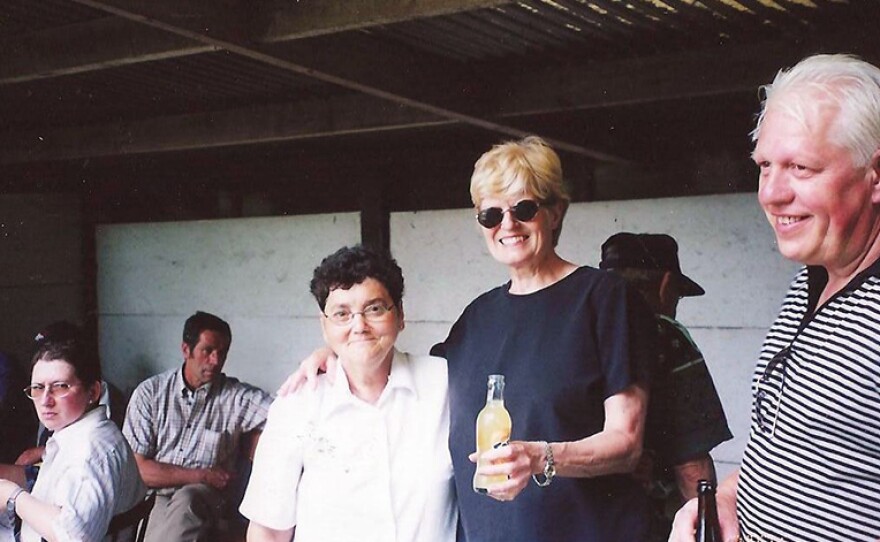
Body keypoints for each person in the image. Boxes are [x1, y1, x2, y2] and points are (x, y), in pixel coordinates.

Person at [285, 136, 657, 541]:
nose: (508, 225)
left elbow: (626, 443)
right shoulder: (476, 318)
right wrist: (341, 352)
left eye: (524, 209)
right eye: (491, 215)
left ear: (555, 212)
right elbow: (402, 373)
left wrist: (539, 457)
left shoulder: (603, 299)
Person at [670, 54, 880, 542]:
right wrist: (723, 501)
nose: (771, 194)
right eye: (765, 165)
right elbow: (789, 446)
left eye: (801, 168)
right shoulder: (812, 279)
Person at [240, 245, 455, 542]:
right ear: (324, 326)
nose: (359, 326)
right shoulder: (297, 404)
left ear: (400, 315)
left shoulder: (444, 384)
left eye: (375, 309)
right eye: (342, 313)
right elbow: (269, 530)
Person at [598, 232, 732, 541]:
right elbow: (691, 467)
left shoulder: (577, 329)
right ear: (666, 285)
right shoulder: (666, 337)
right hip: (645, 526)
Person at [122, 311, 272, 542]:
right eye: (208, 351)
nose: (216, 361)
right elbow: (139, 470)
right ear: (186, 350)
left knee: (188, 501)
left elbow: (287, 413)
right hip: (159, 495)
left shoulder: (236, 397)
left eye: (222, 353)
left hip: (209, 498)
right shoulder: (151, 393)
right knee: (161, 525)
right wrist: (202, 474)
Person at [0, 322, 145, 542]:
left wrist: (13, 496)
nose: (46, 401)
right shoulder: (82, 432)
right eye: (38, 388)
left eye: (60, 387)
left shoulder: (90, 452)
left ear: (93, 391)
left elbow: (74, 536)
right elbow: (64, 482)